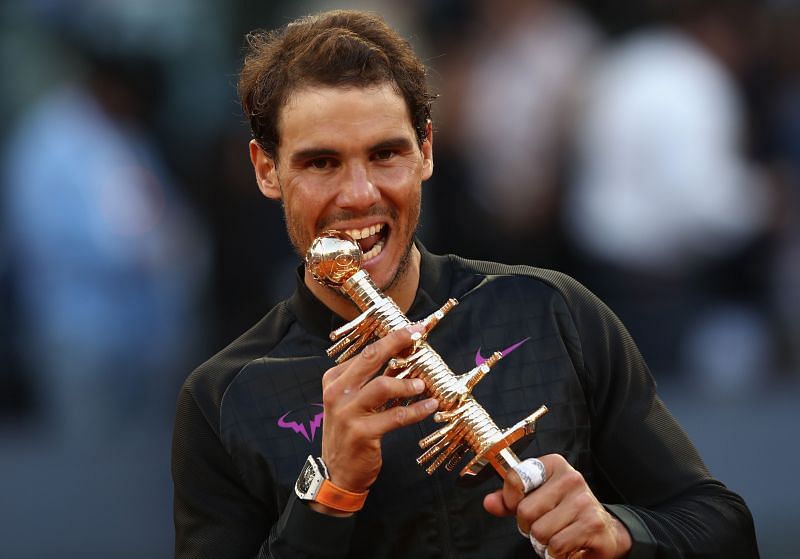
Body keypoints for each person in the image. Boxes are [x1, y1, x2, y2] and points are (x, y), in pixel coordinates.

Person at [171, 10, 759, 558]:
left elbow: (724, 527)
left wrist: (619, 531)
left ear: (426, 150)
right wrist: (330, 493)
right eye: (321, 162)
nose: (358, 195)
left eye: (386, 154)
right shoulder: (225, 398)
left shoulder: (552, 314)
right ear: (266, 169)